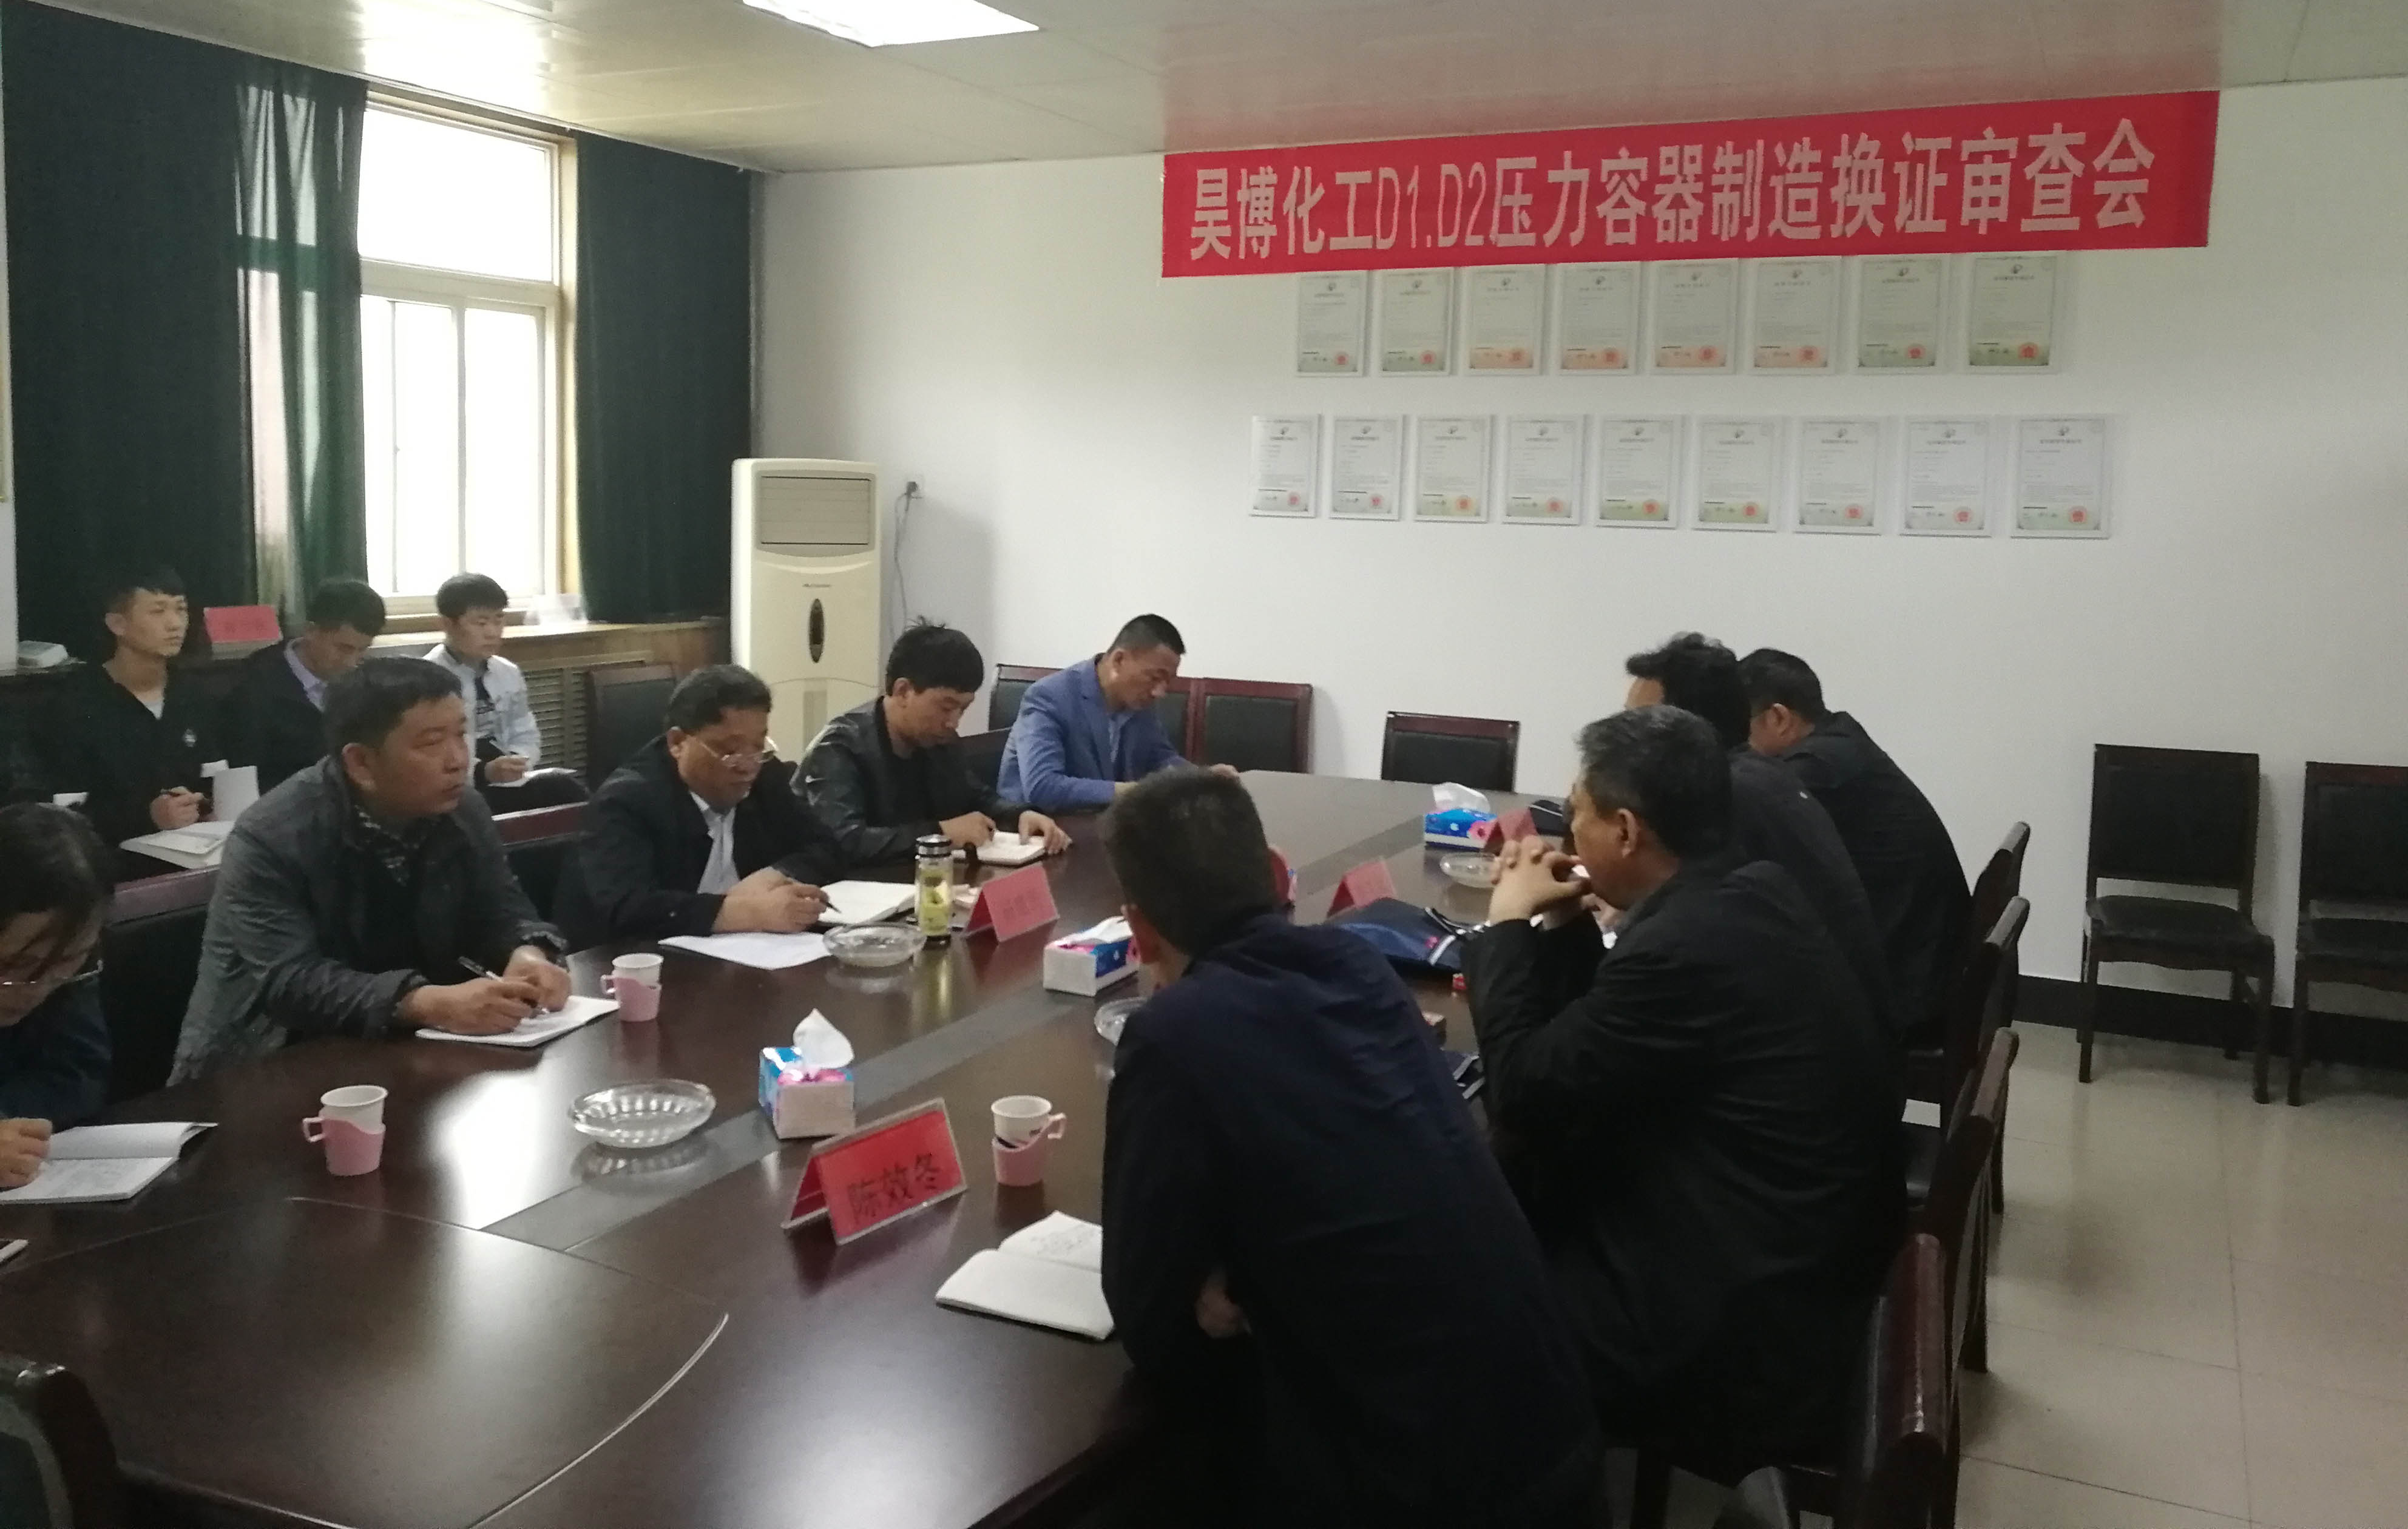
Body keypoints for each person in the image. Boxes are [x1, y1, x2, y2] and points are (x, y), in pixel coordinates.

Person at [1100, 769, 1601, 1528]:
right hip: (1553, 1435)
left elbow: (1149, 1317)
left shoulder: (1170, 1036)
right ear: (1277, 875)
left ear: (1138, 930)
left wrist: (1229, 1289)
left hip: (1414, 1489)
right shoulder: (1357, 966)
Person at [1463, 707, 1903, 1460]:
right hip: (1794, 1258)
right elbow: (1603, 1045)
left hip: (1740, 1332)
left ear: (1625, 831)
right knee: (1523, 1183)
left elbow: (1523, 1093)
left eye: (1575, 813)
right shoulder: (1749, 889)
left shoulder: (1686, 945)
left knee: (1453, 1281)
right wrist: (1566, 925)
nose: (1567, 832)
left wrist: (1504, 926)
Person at [170, 658, 570, 1081]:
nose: (458, 759)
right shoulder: (272, 835)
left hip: (404, 1050)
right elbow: (291, 980)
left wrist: (527, 953)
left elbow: (501, 908)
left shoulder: (463, 810)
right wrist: (425, 1002)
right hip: (261, 1065)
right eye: (431, 743)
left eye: (461, 733)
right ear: (361, 763)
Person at [1625, 632, 1891, 1034]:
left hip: (1816, 1040)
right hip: (1850, 1023)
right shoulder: (1760, 776)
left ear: (1687, 732)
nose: (1624, 746)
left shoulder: (1728, 797)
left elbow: (1668, 934)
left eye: (1637, 728)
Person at [1740, 648, 1972, 1041]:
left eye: (1740, 729)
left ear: (1778, 717)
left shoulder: (1816, 769)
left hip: (1907, 994)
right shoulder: (1841, 739)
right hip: (1926, 967)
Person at [556, 664, 843, 948]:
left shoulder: (764, 775)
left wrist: (774, 875)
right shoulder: (624, 802)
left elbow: (826, 846)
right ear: (678, 742)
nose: (747, 766)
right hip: (635, 962)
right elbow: (629, 909)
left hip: (742, 952)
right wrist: (748, 911)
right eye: (729, 750)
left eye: (757, 746)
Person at [800, 621, 1067, 863]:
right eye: (946, 707)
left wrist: (1020, 815)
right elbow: (844, 842)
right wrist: (939, 834)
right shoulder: (838, 748)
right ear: (903, 691)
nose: (954, 722)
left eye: (963, 709)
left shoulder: (940, 742)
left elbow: (975, 796)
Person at [46, 565, 220, 849]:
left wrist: (207, 804)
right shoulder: (77, 704)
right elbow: (65, 817)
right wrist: (147, 816)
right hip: (115, 858)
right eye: (158, 611)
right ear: (118, 624)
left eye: (181, 609)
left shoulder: (193, 694)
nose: (175, 624)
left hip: (199, 848)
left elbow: (216, 779)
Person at [996, 614, 1231, 812]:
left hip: (1100, 825)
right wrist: (1135, 792)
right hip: (1036, 831)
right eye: (1154, 677)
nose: (1160, 692)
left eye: (1168, 681)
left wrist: (1201, 778)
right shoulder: (1049, 697)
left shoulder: (1138, 702)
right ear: (1119, 660)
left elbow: (1160, 758)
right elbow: (1042, 786)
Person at [0, 805, 118, 1186]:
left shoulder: (71, 970)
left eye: (69, 960)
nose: (36, 989)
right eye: (16, 964)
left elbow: (77, 1075)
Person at [421, 572, 585, 810]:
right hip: (457, 787)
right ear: (447, 624)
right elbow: (432, 751)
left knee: (565, 788)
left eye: (499, 621)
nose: (492, 632)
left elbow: (525, 731)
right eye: (481, 623)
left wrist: (517, 761)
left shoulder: (507, 671)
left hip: (506, 778)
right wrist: (483, 771)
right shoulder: (427, 679)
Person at [222, 578, 388, 792]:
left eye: (362, 650)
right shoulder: (254, 686)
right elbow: (245, 776)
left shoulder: (365, 683)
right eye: (343, 648)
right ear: (311, 631)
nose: (352, 662)